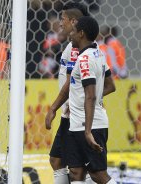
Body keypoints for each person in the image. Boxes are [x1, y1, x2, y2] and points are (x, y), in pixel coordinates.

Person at [44, 2, 97, 184]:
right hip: (73, 112)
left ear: (74, 22)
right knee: (59, 161)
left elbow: (71, 83)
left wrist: (54, 108)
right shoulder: (74, 47)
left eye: (63, 19)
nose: (60, 23)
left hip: (75, 115)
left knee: (80, 169)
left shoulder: (76, 49)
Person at [67, 16, 116, 183]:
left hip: (89, 126)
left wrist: (88, 131)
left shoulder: (85, 59)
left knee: (97, 174)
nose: (70, 35)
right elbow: (110, 86)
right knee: (76, 171)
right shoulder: (98, 53)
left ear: (81, 34)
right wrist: (81, 101)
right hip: (79, 123)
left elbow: (91, 94)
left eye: (73, 31)